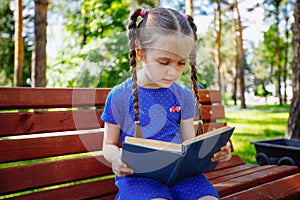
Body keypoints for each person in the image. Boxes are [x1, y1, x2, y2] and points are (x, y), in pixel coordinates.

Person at [101, 7, 232, 200]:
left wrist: (216, 151)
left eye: (181, 63)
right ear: (140, 54)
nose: (173, 72)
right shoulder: (119, 96)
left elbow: (189, 143)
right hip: (139, 178)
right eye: (163, 62)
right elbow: (108, 145)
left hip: (182, 176)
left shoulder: (183, 95)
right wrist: (116, 157)